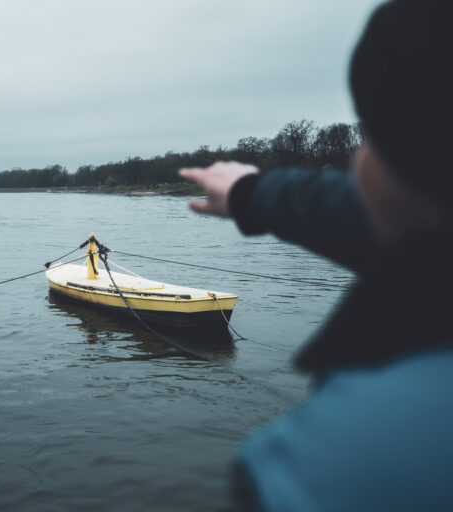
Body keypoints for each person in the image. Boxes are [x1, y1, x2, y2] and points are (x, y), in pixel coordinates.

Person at [180, 0, 453, 509]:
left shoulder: (326, 462)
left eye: (369, 134)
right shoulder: (431, 209)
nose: (358, 158)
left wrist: (253, 195)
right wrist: (250, 194)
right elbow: (356, 208)